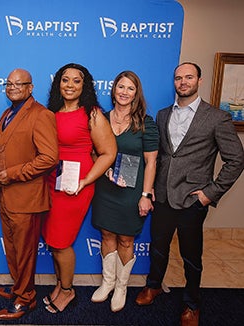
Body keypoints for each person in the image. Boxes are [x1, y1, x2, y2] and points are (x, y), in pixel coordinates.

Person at [135, 62, 244, 326]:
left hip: (193, 200)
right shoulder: (161, 115)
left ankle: (192, 304)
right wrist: (148, 192)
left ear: (199, 80)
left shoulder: (217, 117)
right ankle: (154, 285)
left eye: (188, 77)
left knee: (191, 256)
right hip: (162, 196)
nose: (183, 82)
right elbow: (159, 156)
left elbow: (237, 159)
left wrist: (210, 193)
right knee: (158, 248)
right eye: (178, 78)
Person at [41, 63, 117, 314]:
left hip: (76, 186)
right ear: (58, 84)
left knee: (61, 241)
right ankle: (60, 285)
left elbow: (108, 153)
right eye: (65, 80)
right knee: (52, 239)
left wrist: (86, 180)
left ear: (84, 86)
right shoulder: (53, 112)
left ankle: (67, 290)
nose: (70, 85)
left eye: (76, 81)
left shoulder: (92, 114)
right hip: (52, 182)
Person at [0, 68, 58, 321]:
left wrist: (12, 173)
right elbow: (1, 149)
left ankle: (26, 298)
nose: (12, 88)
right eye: (8, 84)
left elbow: (49, 158)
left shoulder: (41, 115)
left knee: (25, 251)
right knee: (13, 249)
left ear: (30, 88)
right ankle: (19, 286)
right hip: (5, 195)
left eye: (19, 84)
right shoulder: (7, 113)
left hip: (27, 198)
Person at [90, 71, 159, 312]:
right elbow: (93, 152)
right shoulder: (101, 118)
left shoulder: (145, 123)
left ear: (136, 93)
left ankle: (121, 287)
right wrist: (104, 169)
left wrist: (145, 195)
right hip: (105, 188)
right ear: (114, 89)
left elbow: (151, 162)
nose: (124, 92)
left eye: (130, 88)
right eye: (121, 87)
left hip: (132, 191)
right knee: (107, 235)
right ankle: (108, 283)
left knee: (126, 239)